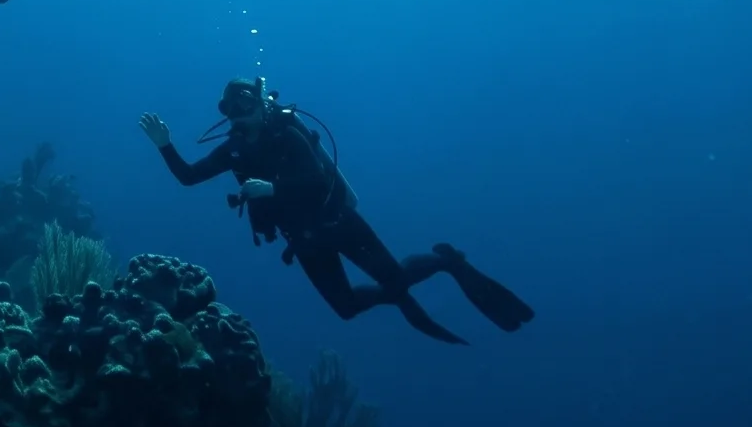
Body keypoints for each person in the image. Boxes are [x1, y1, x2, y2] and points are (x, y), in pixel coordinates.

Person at [142, 76, 534, 344]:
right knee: (346, 308)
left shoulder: (288, 134)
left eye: (244, 104)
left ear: (260, 104)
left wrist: (272, 188)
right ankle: (397, 294)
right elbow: (189, 177)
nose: (237, 114)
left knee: (396, 279)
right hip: (306, 241)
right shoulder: (234, 149)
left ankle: (444, 260)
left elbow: (314, 179)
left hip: (339, 223)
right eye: (230, 108)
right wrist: (164, 144)